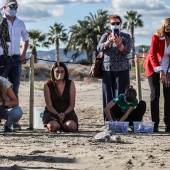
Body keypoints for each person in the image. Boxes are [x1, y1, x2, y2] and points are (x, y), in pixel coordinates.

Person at [97, 14, 132, 122]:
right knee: (108, 95)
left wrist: (119, 44)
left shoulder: (126, 36)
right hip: (107, 70)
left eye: (117, 23)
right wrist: (109, 42)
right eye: (113, 23)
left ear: (121, 24)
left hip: (122, 69)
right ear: (110, 24)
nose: (115, 25)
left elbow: (127, 50)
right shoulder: (105, 36)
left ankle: (121, 121)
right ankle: (108, 120)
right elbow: (99, 47)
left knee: (121, 95)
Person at [2, 0, 29, 130]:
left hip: (16, 60)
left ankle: (14, 118)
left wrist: (23, 53)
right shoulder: (1, 21)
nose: (14, 9)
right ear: (5, 7)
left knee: (15, 88)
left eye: (16, 6)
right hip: (2, 59)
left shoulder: (20, 23)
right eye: (11, 6)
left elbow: (26, 39)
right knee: (1, 88)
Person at [143, 18, 170, 132]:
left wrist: (168, 72)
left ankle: (168, 123)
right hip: (153, 67)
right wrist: (160, 71)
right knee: (155, 95)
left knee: (168, 96)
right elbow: (153, 55)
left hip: (167, 67)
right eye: (168, 29)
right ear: (163, 28)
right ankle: (155, 124)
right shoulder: (156, 37)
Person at [43, 62, 78, 132]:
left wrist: (64, 114)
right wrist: (58, 115)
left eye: (62, 71)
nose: (60, 73)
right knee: (53, 126)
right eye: (57, 71)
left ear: (65, 72)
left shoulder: (70, 83)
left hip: (67, 112)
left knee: (71, 126)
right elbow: (49, 105)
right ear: (53, 72)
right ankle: (57, 125)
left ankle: (63, 126)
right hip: (52, 112)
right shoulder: (47, 85)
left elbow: (72, 104)